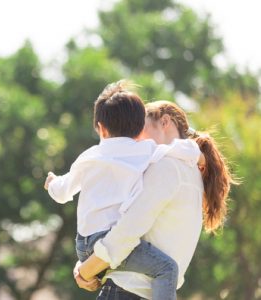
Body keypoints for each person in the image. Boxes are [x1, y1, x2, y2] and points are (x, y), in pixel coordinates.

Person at [44, 82, 201, 300]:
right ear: (139, 129)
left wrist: (52, 182)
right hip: (111, 245)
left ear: (101, 127)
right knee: (167, 269)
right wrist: (201, 155)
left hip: (84, 244)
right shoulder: (147, 152)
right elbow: (182, 149)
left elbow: (62, 192)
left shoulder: (90, 156)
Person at [74, 100, 236, 300]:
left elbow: (125, 233)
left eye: (142, 127)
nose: (136, 137)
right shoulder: (190, 172)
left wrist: (85, 270)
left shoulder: (166, 167)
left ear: (165, 122)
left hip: (127, 291)